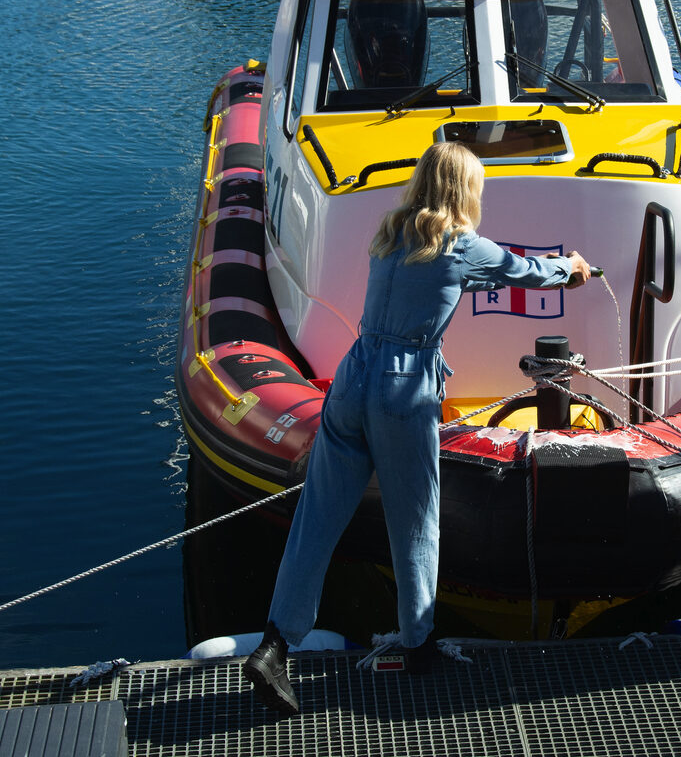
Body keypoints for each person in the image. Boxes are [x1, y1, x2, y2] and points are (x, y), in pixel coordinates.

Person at [243, 141, 591, 715]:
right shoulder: (461, 244)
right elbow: (523, 271)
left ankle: (275, 647)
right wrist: (572, 270)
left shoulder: (393, 231)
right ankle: (419, 643)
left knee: (318, 518)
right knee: (415, 521)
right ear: (465, 190)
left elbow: (437, 285)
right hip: (404, 388)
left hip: (353, 377)